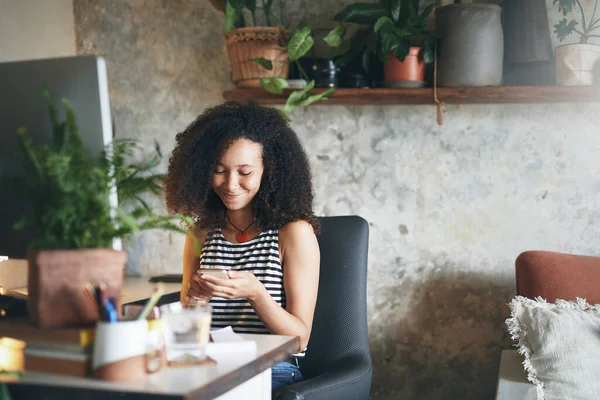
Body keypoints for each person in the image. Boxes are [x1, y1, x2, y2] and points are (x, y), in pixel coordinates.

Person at [164, 101, 320, 393]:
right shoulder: (200, 232)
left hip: (271, 370)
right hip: (209, 366)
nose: (230, 184)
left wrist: (256, 293)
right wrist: (194, 303)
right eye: (219, 170)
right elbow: (187, 332)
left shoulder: (293, 233)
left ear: (268, 171)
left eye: (245, 172)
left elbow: (300, 339)